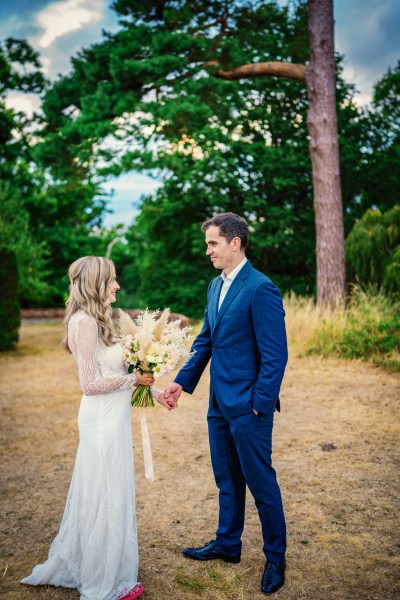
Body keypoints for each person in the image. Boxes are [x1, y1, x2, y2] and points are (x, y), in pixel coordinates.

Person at [21, 256, 175, 600]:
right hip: (101, 419)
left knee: (108, 490)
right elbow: (90, 384)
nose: (117, 286)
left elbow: (117, 375)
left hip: (113, 416)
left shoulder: (98, 321)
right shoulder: (84, 323)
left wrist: (155, 391)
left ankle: (100, 562)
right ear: (94, 284)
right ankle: (102, 579)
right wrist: (134, 378)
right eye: (112, 281)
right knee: (105, 492)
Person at [164, 213, 288, 595]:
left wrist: (259, 404)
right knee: (226, 480)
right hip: (218, 405)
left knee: (260, 483)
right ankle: (228, 545)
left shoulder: (260, 288)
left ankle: (275, 558)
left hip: (249, 408)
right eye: (208, 244)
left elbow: (275, 355)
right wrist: (180, 384)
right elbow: (205, 342)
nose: (208, 251)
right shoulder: (214, 286)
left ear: (235, 243)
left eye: (213, 243)